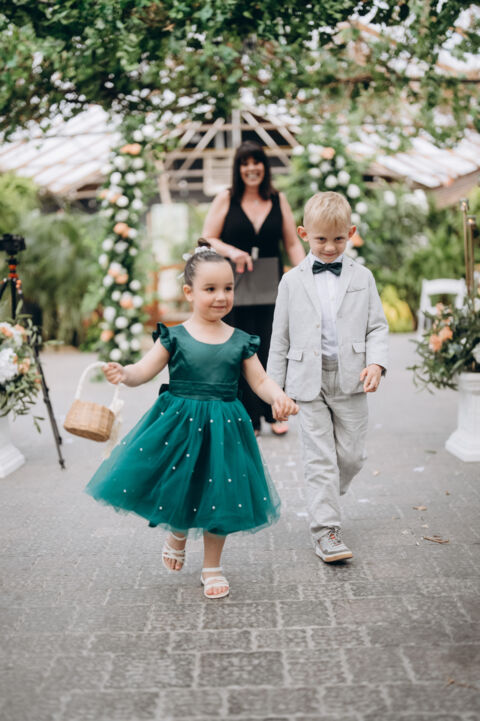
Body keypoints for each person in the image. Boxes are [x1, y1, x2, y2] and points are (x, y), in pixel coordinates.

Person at [85, 244, 298, 598]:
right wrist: (125, 373)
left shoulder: (240, 341)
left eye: (227, 288)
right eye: (210, 289)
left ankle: (212, 566)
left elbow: (260, 380)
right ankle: (178, 531)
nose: (221, 297)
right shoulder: (175, 336)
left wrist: (278, 396)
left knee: (221, 494)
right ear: (189, 292)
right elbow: (144, 370)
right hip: (179, 427)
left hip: (225, 429)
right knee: (181, 483)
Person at [267, 192, 388, 563]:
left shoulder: (363, 278)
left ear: (351, 233)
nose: (330, 247)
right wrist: (274, 392)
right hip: (307, 382)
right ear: (304, 234)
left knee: (352, 457)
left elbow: (377, 327)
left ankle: (327, 494)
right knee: (319, 460)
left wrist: (376, 364)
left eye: (338, 238)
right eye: (321, 239)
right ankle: (326, 531)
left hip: (352, 379)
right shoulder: (291, 282)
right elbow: (279, 339)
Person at [202, 141, 305, 436]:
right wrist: (233, 252)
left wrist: (306, 275)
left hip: (273, 287)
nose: (251, 168)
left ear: (264, 166)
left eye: (256, 162)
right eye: (244, 163)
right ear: (238, 168)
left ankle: (275, 412)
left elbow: (292, 243)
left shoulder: (278, 198)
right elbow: (207, 238)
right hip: (235, 288)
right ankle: (248, 417)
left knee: (273, 345)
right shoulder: (226, 198)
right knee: (240, 348)